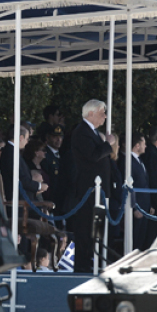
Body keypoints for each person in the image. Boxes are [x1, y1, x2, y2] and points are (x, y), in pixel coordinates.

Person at [69, 100, 116, 273]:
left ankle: (92, 260)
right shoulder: (82, 132)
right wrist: (108, 144)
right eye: (102, 113)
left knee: (96, 229)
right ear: (91, 113)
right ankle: (83, 264)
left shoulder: (93, 132)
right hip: (88, 189)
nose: (105, 116)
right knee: (85, 228)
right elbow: (93, 156)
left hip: (98, 190)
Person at [126, 133, 152, 250]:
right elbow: (130, 186)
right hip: (137, 207)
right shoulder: (129, 162)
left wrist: (149, 204)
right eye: (143, 144)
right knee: (135, 238)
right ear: (137, 145)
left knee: (141, 237)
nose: (145, 146)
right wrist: (135, 207)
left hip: (144, 206)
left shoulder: (139, 160)